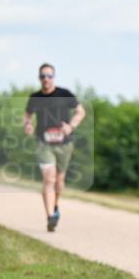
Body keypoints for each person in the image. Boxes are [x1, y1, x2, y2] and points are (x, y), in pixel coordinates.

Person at [23, 63, 86, 232]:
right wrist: (27, 124)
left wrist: (71, 126)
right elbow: (27, 114)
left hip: (64, 144)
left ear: (54, 77)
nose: (46, 79)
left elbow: (81, 111)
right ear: (39, 78)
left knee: (59, 180)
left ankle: (55, 205)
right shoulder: (34, 97)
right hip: (43, 143)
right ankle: (50, 216)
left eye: (49, 76)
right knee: (49, 178)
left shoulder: (64, 94)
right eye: (43, 76)